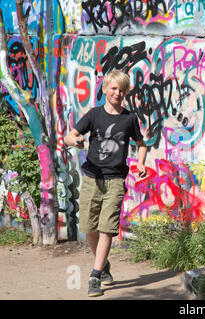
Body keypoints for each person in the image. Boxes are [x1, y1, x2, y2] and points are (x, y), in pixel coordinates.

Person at [64, 70, 147, 297]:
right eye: (113, 88)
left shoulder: (130, 119)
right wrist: (77, 141)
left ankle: (95, 275)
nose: (117, 93)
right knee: (88, 227)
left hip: (116, 181)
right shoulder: (94, 115)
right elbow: (69, 136)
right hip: (92, 178)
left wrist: (140, 164)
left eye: (122, 90)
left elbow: (142, 144)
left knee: (106, 229)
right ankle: (104, 266)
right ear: (105, 89)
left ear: (126, 92)